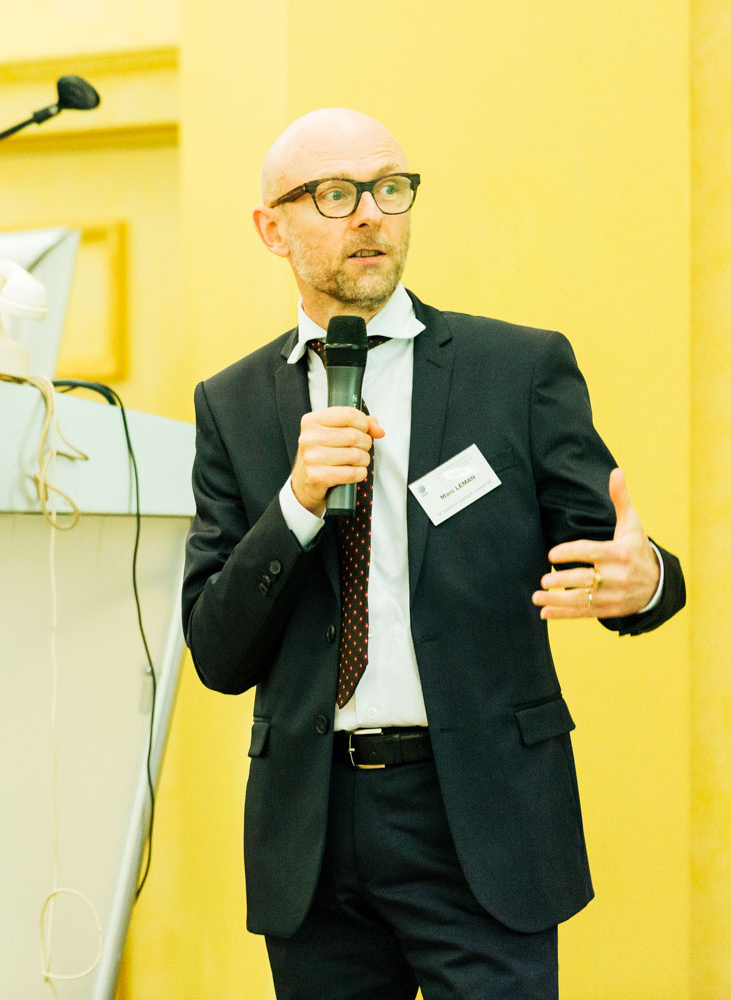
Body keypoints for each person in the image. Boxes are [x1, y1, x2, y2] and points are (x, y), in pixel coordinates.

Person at [180, 107, 686, 999]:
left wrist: (645, 583)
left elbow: (615, 553)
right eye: (335, 195)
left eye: (391, 188)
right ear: (272, 229)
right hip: (314, 829)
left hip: (480, 816)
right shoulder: (233, 403)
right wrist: (296, 505)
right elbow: (218, 652)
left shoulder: (516, 369)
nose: (371, 214)